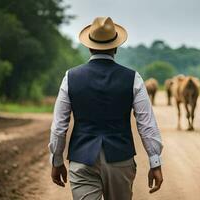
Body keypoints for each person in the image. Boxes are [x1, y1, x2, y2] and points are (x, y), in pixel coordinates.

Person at [48, 16, 163, 200]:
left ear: (89, 46)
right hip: (120, 159)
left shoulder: (70, 77)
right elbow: (147, 124)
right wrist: (155, 162)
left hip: (82, 159)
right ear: (116, 47)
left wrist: (57, 160)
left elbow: (59, 126)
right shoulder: (133, 78)